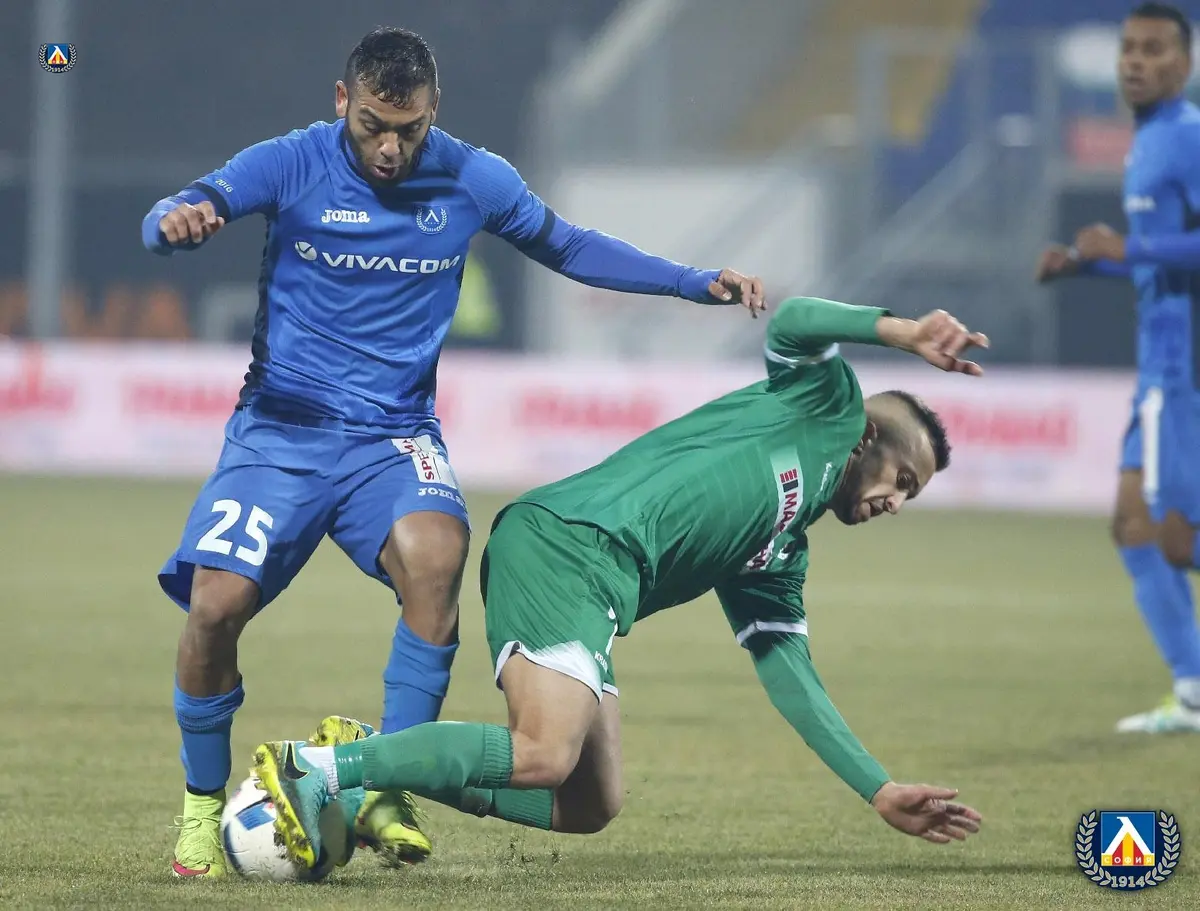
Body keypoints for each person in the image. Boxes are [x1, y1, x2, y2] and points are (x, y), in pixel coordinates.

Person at [141, 27, 765, 878]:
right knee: (216, 607)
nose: (389, 147)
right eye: (372, 125)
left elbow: (568, 245)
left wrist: (693, 282)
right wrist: (175, 223)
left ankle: (381, 787)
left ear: (435, 111)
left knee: (436, 561)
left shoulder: (475, 177)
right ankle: (199, 810)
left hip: (393, 438)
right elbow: (178, 209)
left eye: (409, 129)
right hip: (280, 431)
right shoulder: (290, 162)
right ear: (342, 102)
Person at [246, 295, 988, 870]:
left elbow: (792, 676)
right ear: (869, 437)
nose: (897, 502)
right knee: (544, 752)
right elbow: (794, 320)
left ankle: (374, 756)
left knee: (590, 801)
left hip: (597, 583)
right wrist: (901, 332)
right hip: (572, 545)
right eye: (903, 479)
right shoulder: (826, 408)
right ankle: (315, 769)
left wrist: (877, 787)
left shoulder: (780, 554)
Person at [1035, 2, 1200, 734]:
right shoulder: (1148, 141)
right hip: (1159, 367)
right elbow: (1162, 267)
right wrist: (1088, 266)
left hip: (1186, 368)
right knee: (1134, 525)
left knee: (1176, 537)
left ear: (1184, 64)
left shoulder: (1187, 136)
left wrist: (1126, 247)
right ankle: (1193, 693)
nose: (1135, 60)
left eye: (1154, 49)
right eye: (1128, 48)